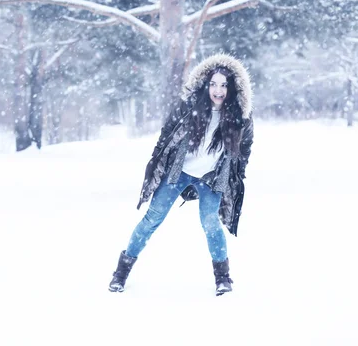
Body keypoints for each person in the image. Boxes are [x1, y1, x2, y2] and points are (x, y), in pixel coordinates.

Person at [108, 53, 254, 296]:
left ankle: (223, 278)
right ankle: (120, 273)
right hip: (179, 172)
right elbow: (165, 138)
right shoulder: (189, 108)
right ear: (206, 85)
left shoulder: (239, 117)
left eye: (224, 85)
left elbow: (245, 149)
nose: (218, 90)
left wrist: (236, 173)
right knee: (152, 218)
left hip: (211, 177)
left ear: (232, 88)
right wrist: (155, 166)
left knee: (210, 222)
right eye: (214, 84)